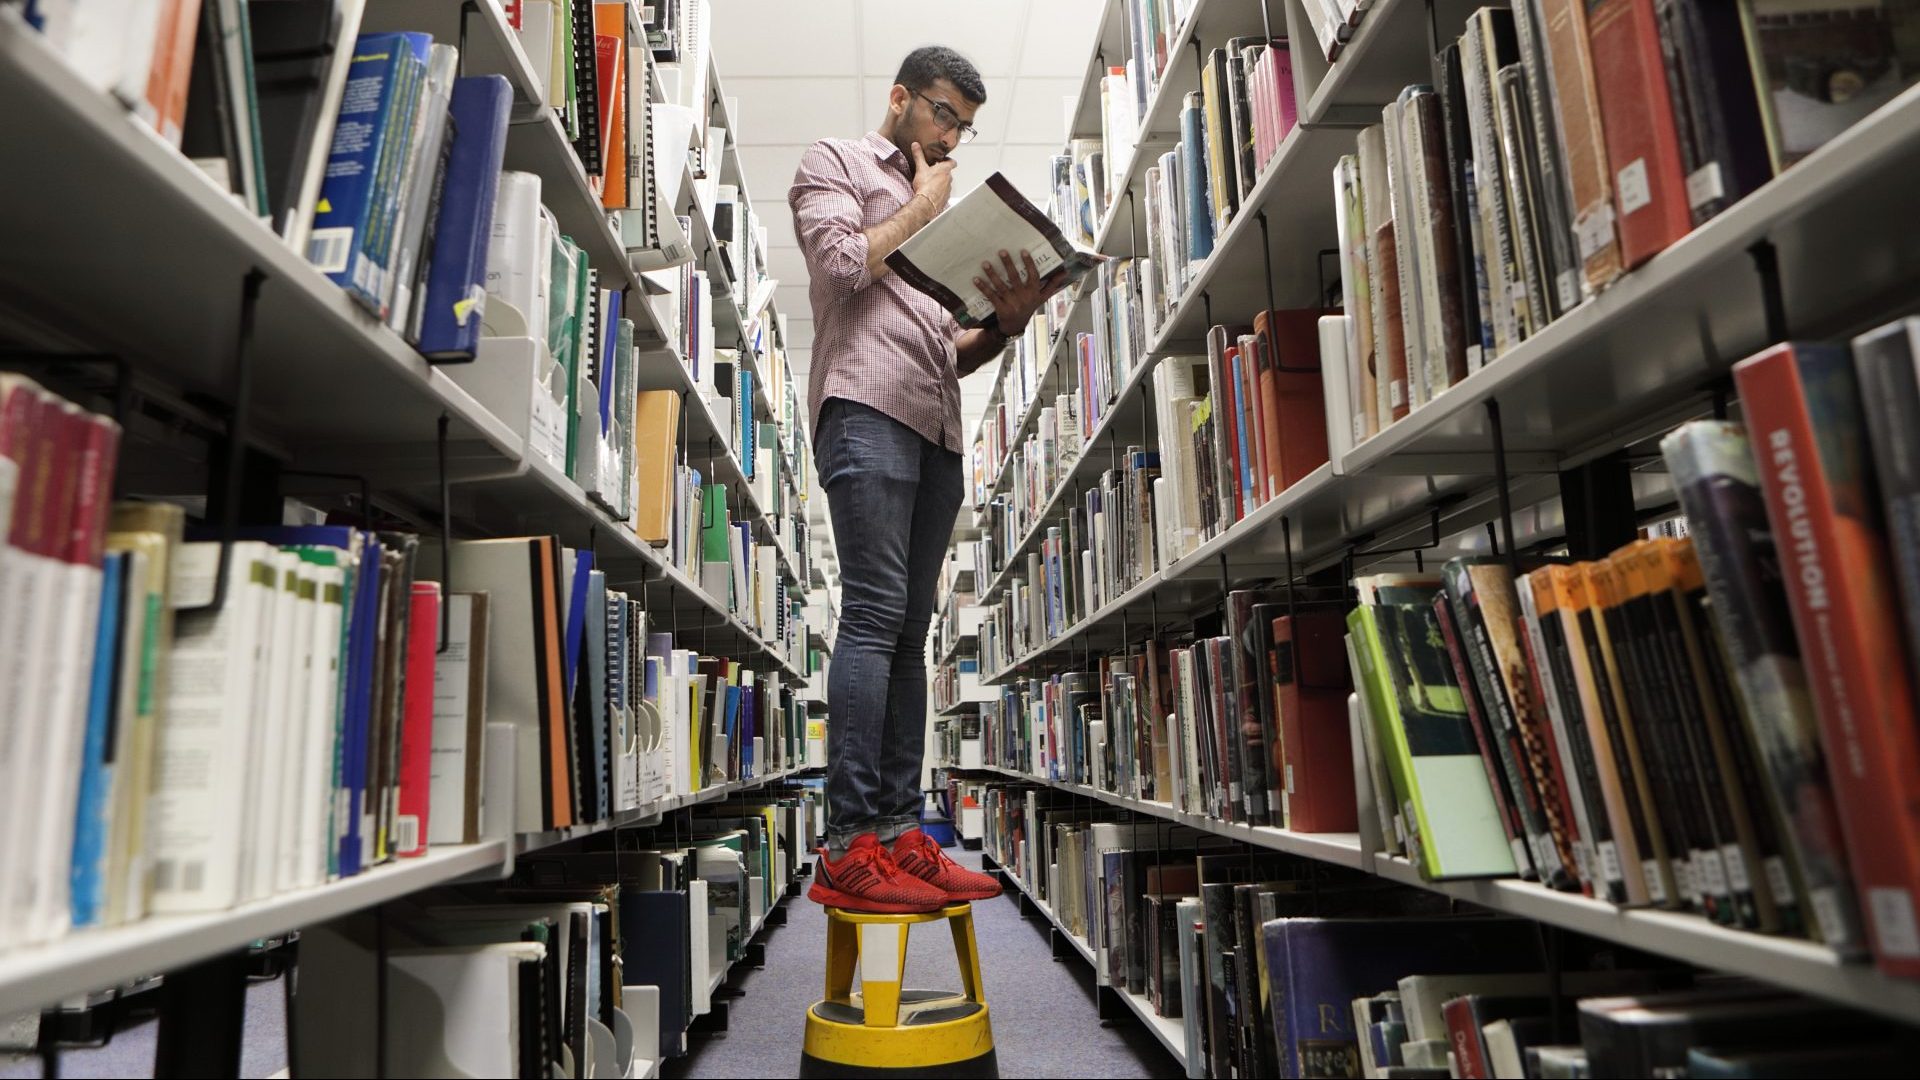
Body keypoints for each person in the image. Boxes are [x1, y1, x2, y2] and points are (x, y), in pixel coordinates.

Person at [790, 45, 1068, 912]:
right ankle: (847, 845)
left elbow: (946, 349)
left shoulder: (940, 209)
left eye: (965, 127)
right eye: (944, 115)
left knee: (910, 631)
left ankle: (904, 834)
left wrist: (1009, 328)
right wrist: (920, 205)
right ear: (903, 98)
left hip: (935, 426)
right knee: (873, 616)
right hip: (865, 410)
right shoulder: (835, 163)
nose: (953, 136)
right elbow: (842, 267)